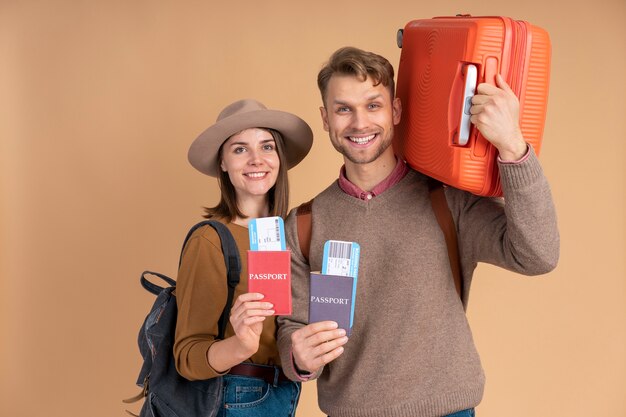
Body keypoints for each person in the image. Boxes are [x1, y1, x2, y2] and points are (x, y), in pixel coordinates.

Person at [276, 47, 559, 417]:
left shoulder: (446, 200)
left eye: (373, 105)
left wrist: (512, 146)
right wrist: (297, 355)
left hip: (448, 410)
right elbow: (290, 328)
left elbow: (538, 255)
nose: (359, 123)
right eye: (343, 108)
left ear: (394, 111)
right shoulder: (302, 223)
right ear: (326, 118)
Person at [174, 98, 313, 416]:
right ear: (222, 162)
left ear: (280, 156)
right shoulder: (210, 241)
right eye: (239, 149)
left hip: (286, 393)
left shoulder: (296, 234)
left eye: (267, 146)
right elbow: (187, 356)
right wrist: (241, 345)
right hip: (235, 398)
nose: (256, 160)